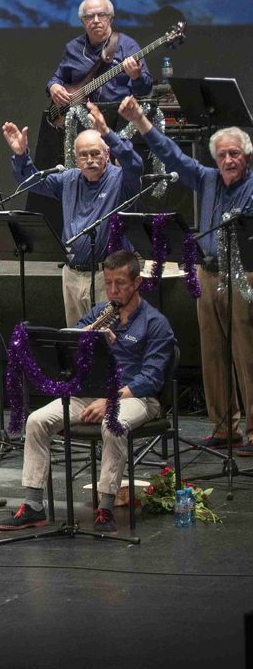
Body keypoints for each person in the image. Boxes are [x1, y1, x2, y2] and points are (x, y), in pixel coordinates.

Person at [0, 250, 175, 534]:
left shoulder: (155, 323)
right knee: (36, 421)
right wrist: (90, 334)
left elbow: (151, 379)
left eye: (120, 283)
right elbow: (67, 345)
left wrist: (110, 401)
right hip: (90, 393)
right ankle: (33, 506)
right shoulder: (99, 313)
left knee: (112, 424)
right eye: (109, 283)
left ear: (137, 282)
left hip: (135, 397)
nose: (113, 291)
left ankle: (105, 507)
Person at [119, 95, 253, 451]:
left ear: (247, 157)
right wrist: (142, 122)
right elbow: (171, 156)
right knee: (213, 354)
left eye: (235, 154)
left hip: (244, 276)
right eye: (222, 154)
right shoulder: (207, 179)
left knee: (247, 353)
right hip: (207, 274)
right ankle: (225, 426)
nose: (228, 160)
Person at [3, 103, 145, 325]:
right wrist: (21, 156)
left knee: (111, 339)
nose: (90, 160)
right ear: (76, 159)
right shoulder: (68, 179)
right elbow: (30, 182)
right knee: (78, 342)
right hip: (72, 275)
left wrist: (108, 133)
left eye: (95, 154)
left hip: (108, 276)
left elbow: (135, 164)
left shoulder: (121, 180)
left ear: (107, 154)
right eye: (83, 155)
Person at [46, 0, 153, 114]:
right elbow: (57, 78)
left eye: (101, 15)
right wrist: (53, 86)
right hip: (81, 120)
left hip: (118, 118)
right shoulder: (73, 48)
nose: (96, 20)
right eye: (89, 16)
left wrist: (136, 77)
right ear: (83, 21)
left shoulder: (128, 45)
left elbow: (145, 90)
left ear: (110, 18)